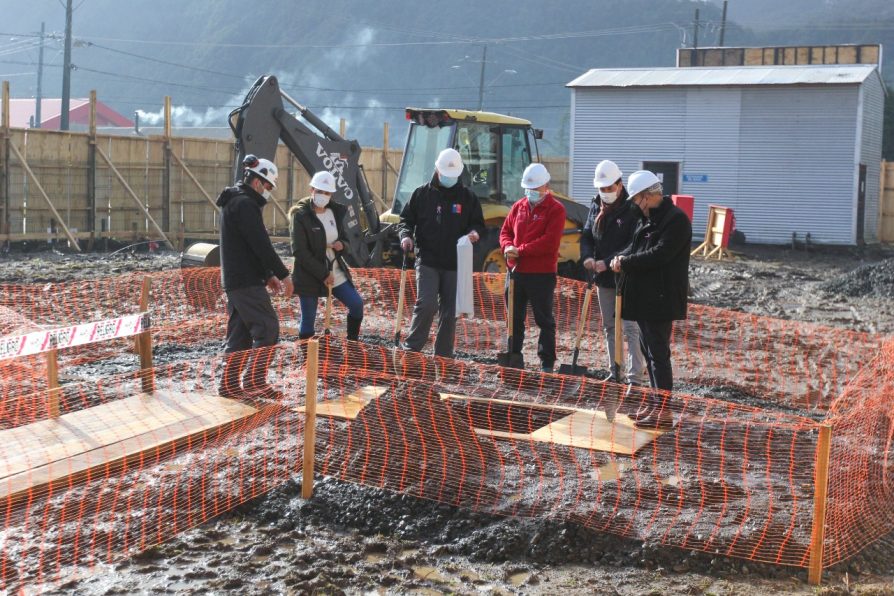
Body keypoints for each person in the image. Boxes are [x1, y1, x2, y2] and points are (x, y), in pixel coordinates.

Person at [610, 170, 691, 430]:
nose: (634, 204)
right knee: (649, 352)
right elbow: (635, 249)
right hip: (645, 296)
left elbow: (660, 255)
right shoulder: (646, 219)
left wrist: (626, 262)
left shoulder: (675, 220)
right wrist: (619, 257)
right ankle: (656, 404)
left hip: (662, 297)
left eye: (636, 199)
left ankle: (664, 411)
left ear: (648, 196)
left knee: (658, 354)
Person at [216, 154, 293, 400]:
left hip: (237, 280)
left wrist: (268, 274)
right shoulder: (246, 205)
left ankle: (229, 385)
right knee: (267, 327)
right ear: (258, 182)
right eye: (269, 186)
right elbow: (261, 245)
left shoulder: (234, 202)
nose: (269, 191)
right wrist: (283, 274)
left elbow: (248, 246)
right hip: (246, 281)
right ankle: (254, 382)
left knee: (239, 335)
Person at [398, 148, 485, 358]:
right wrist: (405, 236)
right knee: (427, 304)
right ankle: (411, 351)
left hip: (455, 263)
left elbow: (478, 224)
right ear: (437, 169)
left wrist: (474, 233)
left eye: (453, 176)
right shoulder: (421, 194)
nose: (449, 178)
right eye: (445, 174)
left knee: (450, 312)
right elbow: (405, 221)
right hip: (427, 260)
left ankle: (443, 357)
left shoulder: (468, 198)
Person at [581, 160, 647, 385]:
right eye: (602, 189)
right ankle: (615, 371)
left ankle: (634, 377)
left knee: (630, 327)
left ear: (619, 185)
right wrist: (588, 257)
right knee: (610, 327)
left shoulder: (632, 209)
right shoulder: (595, 205)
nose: (605, 193)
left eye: (609, 188)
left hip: (627, 275)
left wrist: (609, 261)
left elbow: (634, 243)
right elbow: (587, 234)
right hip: (604, 278)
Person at [499, 163, 566, 372]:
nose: (532, 193)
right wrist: (508, 246)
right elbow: (505, 232)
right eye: (529, 189)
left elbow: (550, 242)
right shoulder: (518, 206)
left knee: (544, 319)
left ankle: (546, 362)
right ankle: (514, 357)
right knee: (514, 319)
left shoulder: (556, 210)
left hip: (541, 274)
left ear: (546, 186)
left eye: (535, 189)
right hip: (516, 272)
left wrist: (521, 250)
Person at [289, 171, 364, 340]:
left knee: (356, 304)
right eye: (320, 191)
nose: (323, 195)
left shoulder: (334, 213)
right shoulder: (300, 215)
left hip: (335, 271)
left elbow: (345, 240)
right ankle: (307, 358)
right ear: (312, 190)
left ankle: (352, 343)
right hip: (309, 274)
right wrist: (323, 274)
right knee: (308, 321)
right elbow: (299, 251)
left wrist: (342, 245)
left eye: (327, 192)